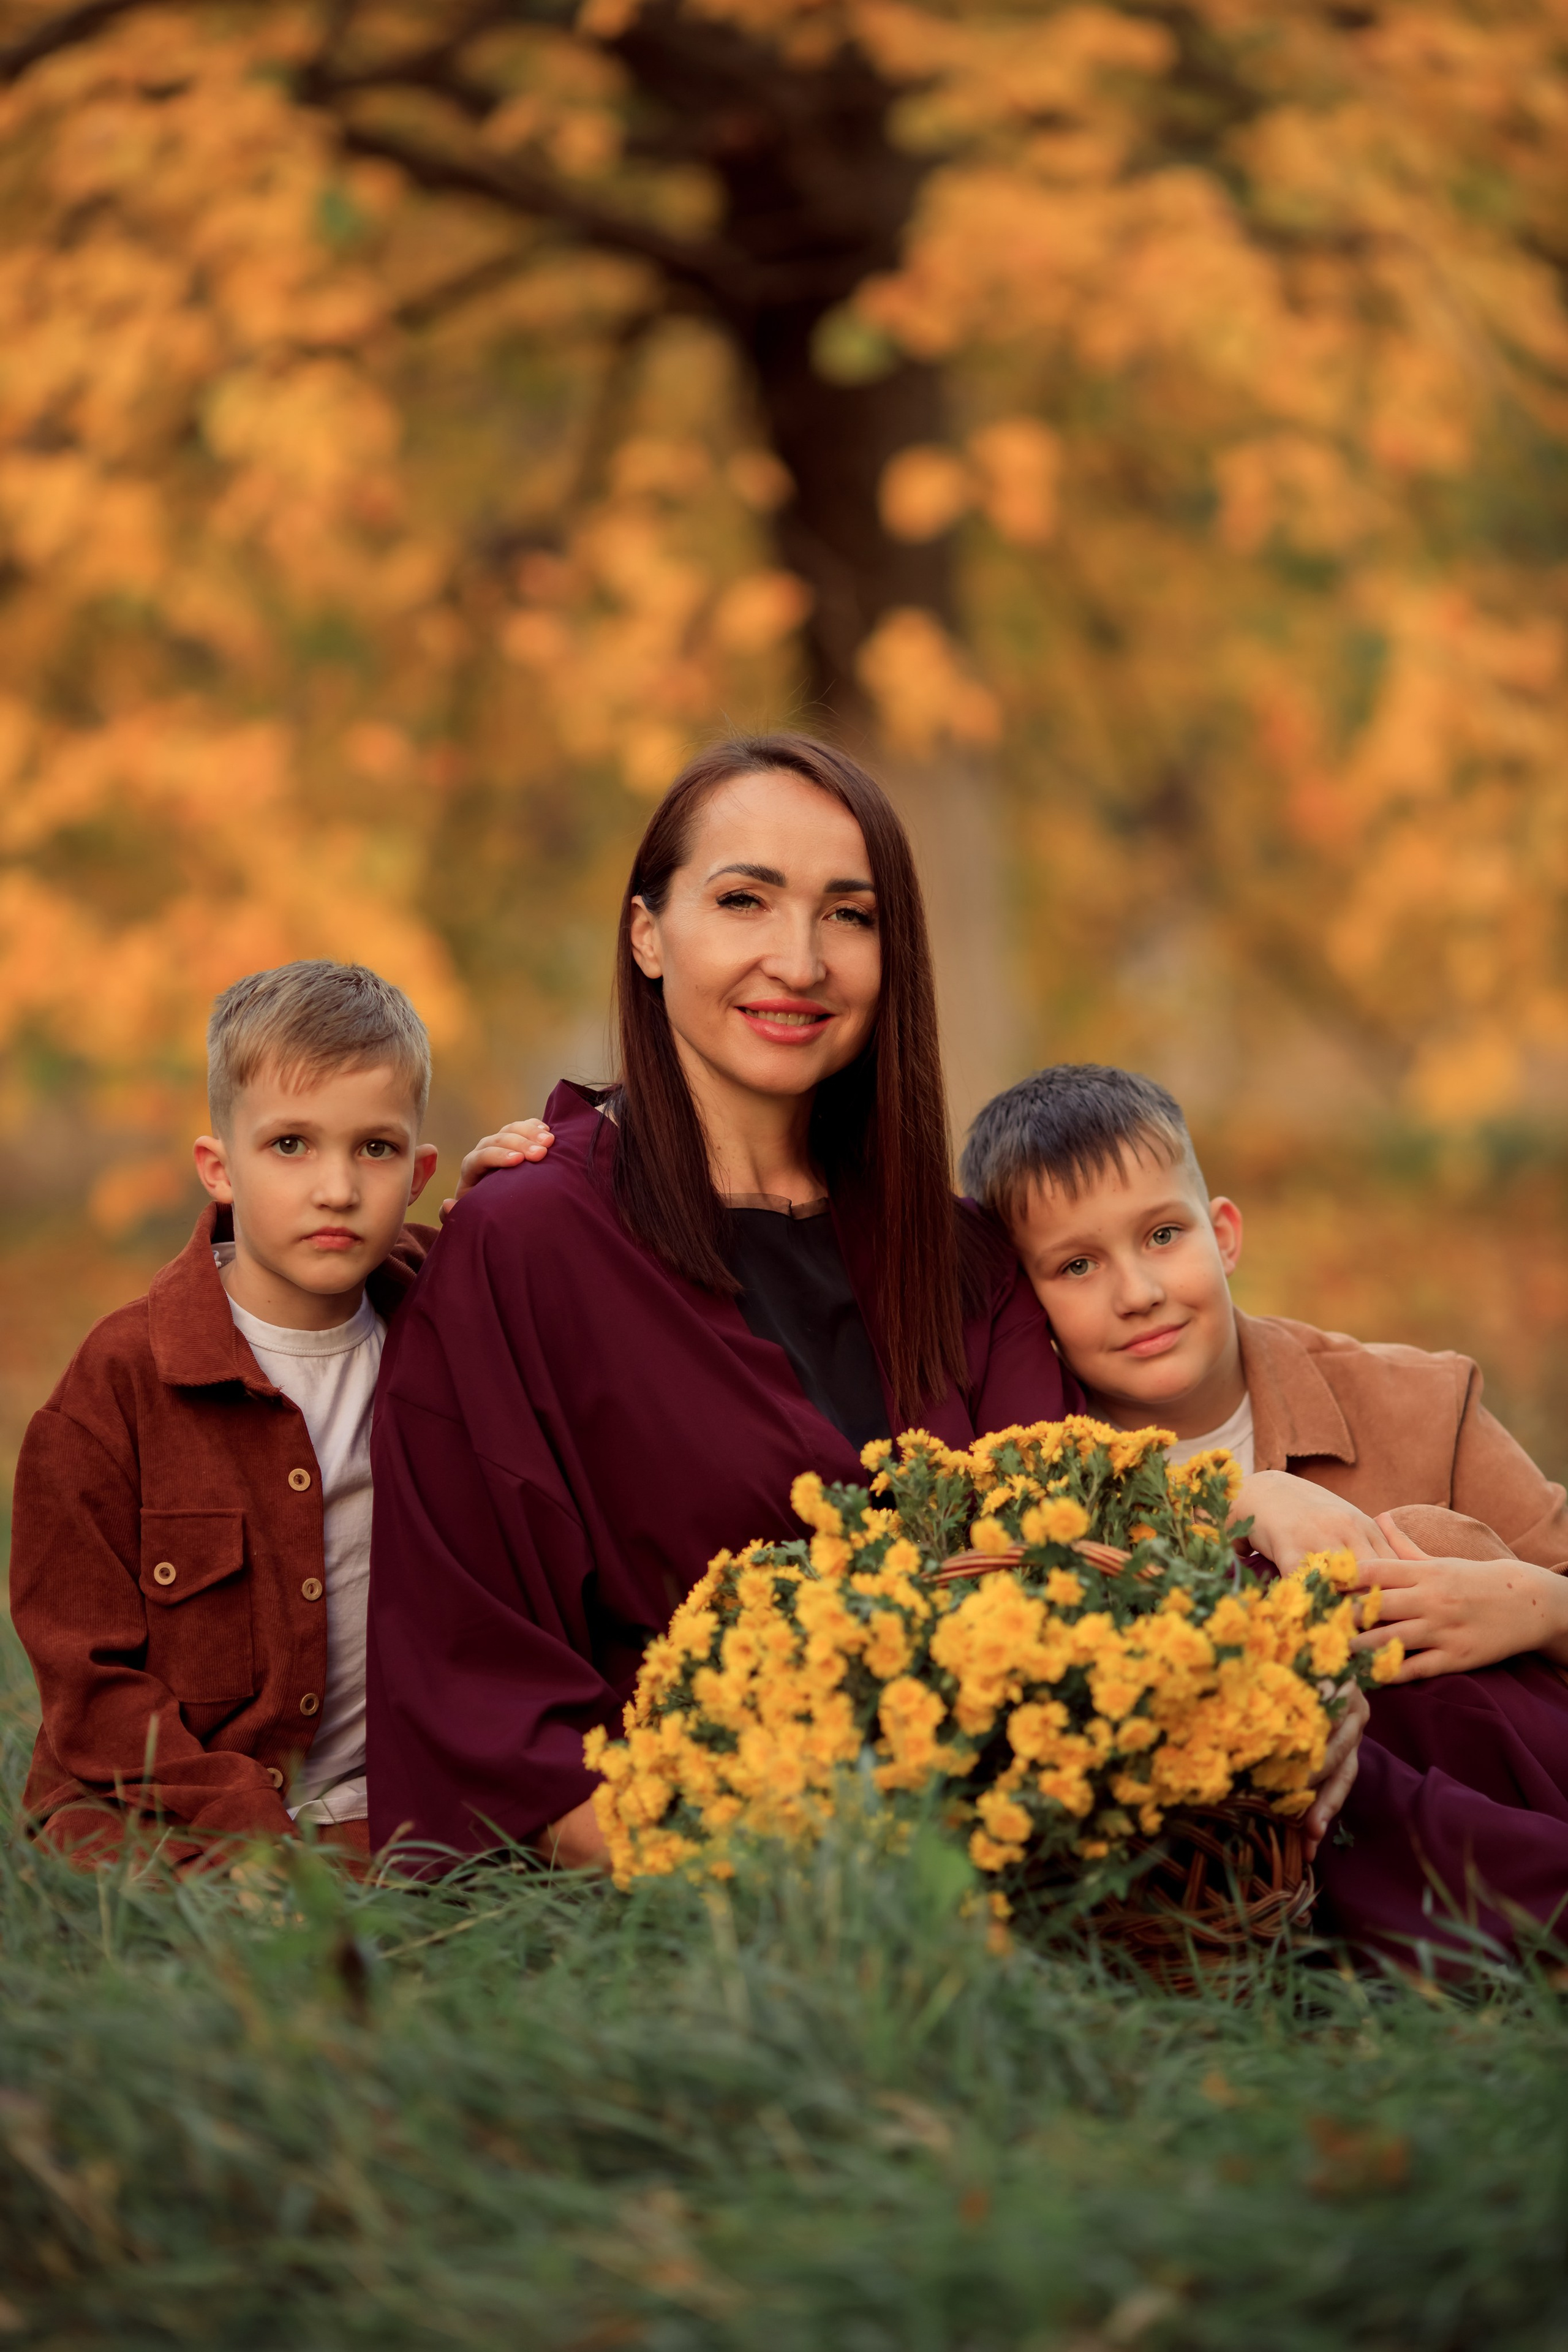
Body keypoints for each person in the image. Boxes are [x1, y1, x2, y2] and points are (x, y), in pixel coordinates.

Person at [365, 733, 1097, 1871]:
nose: (799, 961)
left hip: (1008, 1854)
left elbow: (1076, 1554)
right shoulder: (528, 1243)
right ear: (648, 935)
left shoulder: (966, 1260)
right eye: (744, 900)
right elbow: (473, 1690)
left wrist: (1263, 1501)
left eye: (849, 915)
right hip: (681, 1876)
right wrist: (773, 1861)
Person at [958, 1061, 1568, 1960]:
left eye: (1163, 1235)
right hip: (1258, 1884)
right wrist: (1233, 1500)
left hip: (1515, 1784)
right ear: (1023, 1300)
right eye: (1078, 1265)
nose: (1138, 1292)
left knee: (1425, 1550)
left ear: (1224, 1233)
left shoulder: (1422, 1401)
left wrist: (1536, 1605)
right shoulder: (1040, 1489)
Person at [9, 960, 526, 1867]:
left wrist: (509, 1212)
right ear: (219, 1169)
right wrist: (250, 1834)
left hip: (383, 1797)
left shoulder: (446, 1324)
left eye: (375, 1149)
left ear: (419, 1173)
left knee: (496, 1852)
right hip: (172, 1798)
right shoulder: (120, 1381)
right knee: (100, 1853)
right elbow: (87, 1678)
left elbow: (571, 1318)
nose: (337, 1189)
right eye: (291, 1145)